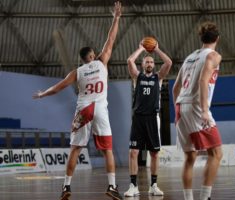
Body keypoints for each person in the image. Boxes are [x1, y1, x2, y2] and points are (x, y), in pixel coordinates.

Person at [32, 2, 123, 200]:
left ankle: (66, 187)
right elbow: (111, 38)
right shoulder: (101, 62)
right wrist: (116, 18)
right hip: (100, 108)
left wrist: (42, 94)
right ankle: (112, 186)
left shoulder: (77, 72)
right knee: (107, 150)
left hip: (84, 109)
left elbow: (58, 88)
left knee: (75, 149)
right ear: (92, 55)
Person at [172, 21, 223, 200]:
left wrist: (177, 113)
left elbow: (175, 88)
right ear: (217, 38)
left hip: (180, 107)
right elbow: (203, 81)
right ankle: (205, 197)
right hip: (195, 107)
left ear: (201, 38)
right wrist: (204, 110)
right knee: (216, 153)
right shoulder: (214, 56)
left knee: (190, 157)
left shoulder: (189, 57)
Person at [124, 41, 172, 197]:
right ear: (143, 64)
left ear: (154, 64)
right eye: (147, 61)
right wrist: (140, 49)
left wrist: (156, 49)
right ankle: (133, 186)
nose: (150, 63)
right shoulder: (136, 76)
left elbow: (169, 62)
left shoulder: (158, 78)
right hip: (138, 118)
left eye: (151, 62)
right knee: (133, 152)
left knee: (154, 154)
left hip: (152, 118)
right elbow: (130, 61)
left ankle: (154, 185)